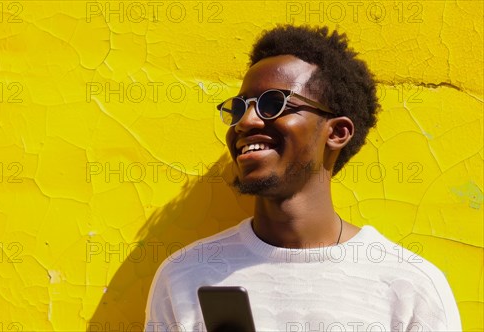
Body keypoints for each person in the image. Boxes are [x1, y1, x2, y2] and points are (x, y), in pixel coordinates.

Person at [145, 25, 461, 332]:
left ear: (336, 133)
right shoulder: (187, 276)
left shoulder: (409, 287)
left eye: (273, 104)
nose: (246, 121)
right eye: (240, 107)